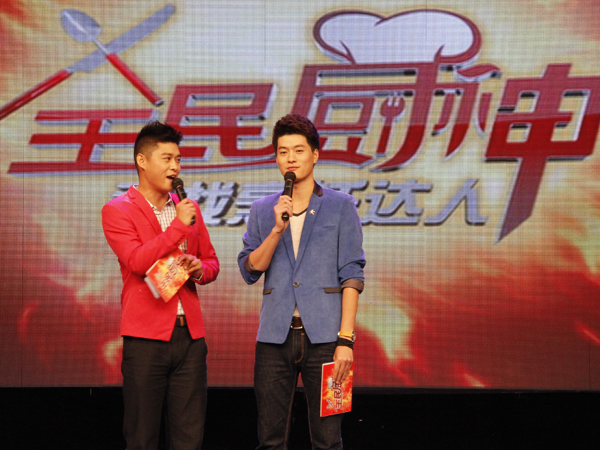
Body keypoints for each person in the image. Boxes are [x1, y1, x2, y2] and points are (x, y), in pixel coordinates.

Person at [238, 113, 366, 450]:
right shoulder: (262, 209)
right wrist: (276, 230)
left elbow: (352, 274)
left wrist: (346, 340)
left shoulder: (341, 206)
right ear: (276, 158)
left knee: (328, 440)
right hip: (273, 339)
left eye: (298, 150)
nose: (290, 158)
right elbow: (249, 270)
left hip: (326, 339)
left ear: (315, 154)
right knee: (270, 440)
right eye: (283, 152)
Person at [102, 121, 219, 450]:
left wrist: (199, 269)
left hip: (190, 338)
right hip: (145, 339)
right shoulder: (118, 210)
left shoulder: (188, 209)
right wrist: (179, 227)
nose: (175, 167)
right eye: (167, 158)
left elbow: (211, 262)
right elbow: (138, 261)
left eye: (178, 159)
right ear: (142, 161)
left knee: (189, 438)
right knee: (142, 437)